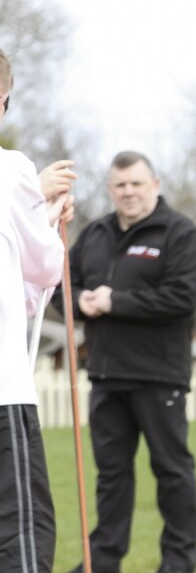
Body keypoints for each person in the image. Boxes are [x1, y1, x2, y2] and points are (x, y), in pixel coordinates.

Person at [52, 151, 196, 573]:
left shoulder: (180, 234)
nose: (129, 192)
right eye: (120, 185)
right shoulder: (96, 234)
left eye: (137, 184)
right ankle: (101, 561)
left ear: (154, 185)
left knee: (172, 472)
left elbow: (181, 298)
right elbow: (58, 285)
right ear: (110, 189)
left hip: (160, 376)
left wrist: (114, 300)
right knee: (112, 477)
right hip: (105, 375)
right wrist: (80, 301)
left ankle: (178, 563)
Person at [0, 48, 74, 572]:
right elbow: (42, 269)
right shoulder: (12, 171)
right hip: (2, 395)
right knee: (22, 532)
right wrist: (47, 215)